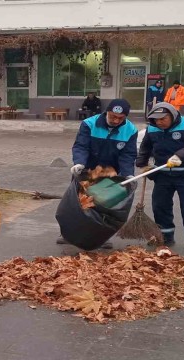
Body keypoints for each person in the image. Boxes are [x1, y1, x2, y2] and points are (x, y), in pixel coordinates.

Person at [57, 99, 139, 248]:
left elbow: (128, 155)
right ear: (106, 112)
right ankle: (67, 234)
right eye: (112, 116)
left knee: (103, 205)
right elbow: (81, 146)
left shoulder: (131, 130)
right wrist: (79, 162)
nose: (116, 120)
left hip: (109, 174)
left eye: (120, 118)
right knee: (77, 203)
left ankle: (99, 236)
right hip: (86, 170)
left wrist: (128, 174)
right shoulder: (89, 124)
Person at [136, 101, 184, 254]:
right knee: (160, 206)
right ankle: (165, 237)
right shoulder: (152, 128)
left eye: (163, 119)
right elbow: (146, 147)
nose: (160, 122)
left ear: (172, 115)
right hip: (163, 174)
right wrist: (142, 163)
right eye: (156, 119)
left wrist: (180, 155)